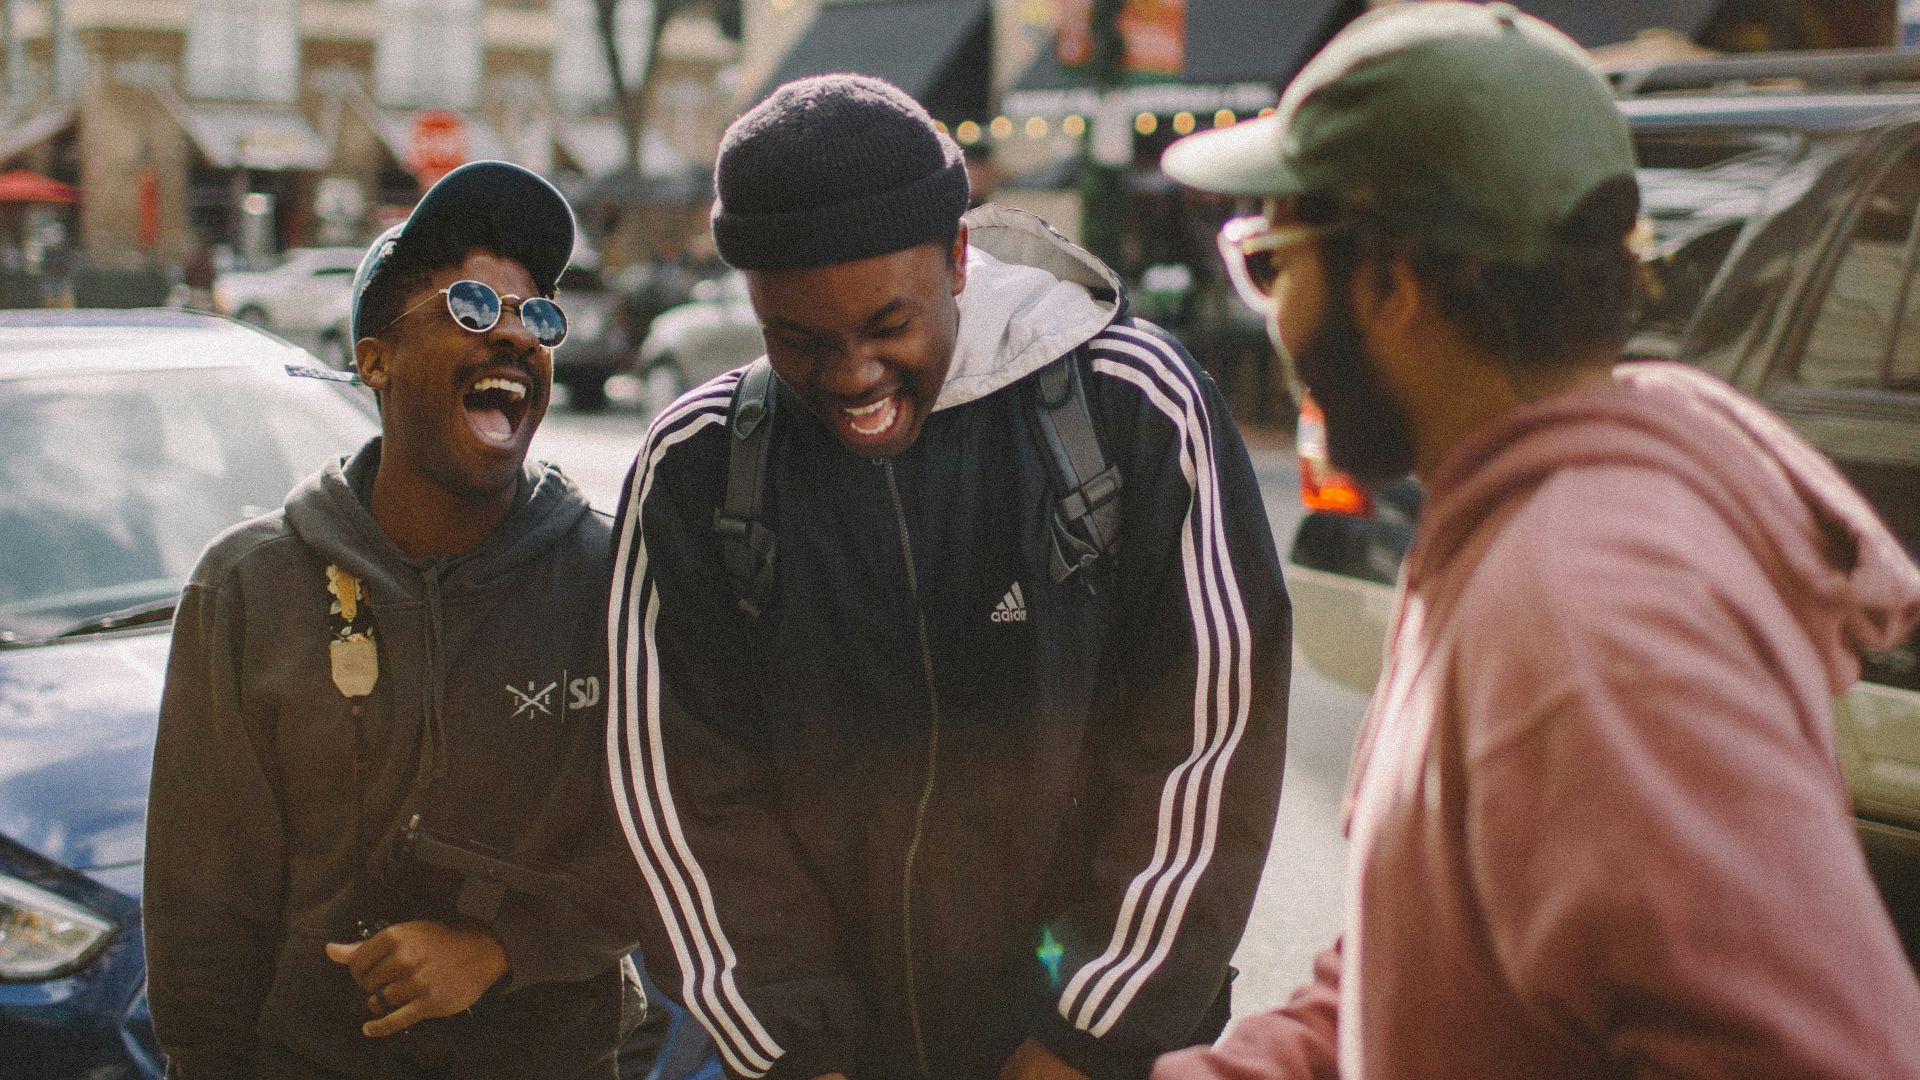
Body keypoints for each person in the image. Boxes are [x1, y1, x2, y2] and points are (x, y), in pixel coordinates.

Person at [1154, 4, 1920, 1078]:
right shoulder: (1523, 537)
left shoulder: (1583, 615)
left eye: (1272, 262)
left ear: (1392, 284)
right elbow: (1420, 969)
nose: (1271, 316)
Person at [607, 75, 1291, 1080]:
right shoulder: (696, 467)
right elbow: (680, 796)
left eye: (889, 325)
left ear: (959, 257)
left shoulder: (1134, 406)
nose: (853, 375)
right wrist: (797, 1047)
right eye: (800, 339)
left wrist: (1082, 1034)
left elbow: (1208, 744)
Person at [145, 161, 645, 1079]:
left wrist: (502, 949)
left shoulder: (611, 574)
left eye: (537, 316)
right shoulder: (249, 588)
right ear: (375, 361)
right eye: (470, 308)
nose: (514, 335)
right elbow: (202, 912)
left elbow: (680, 841)